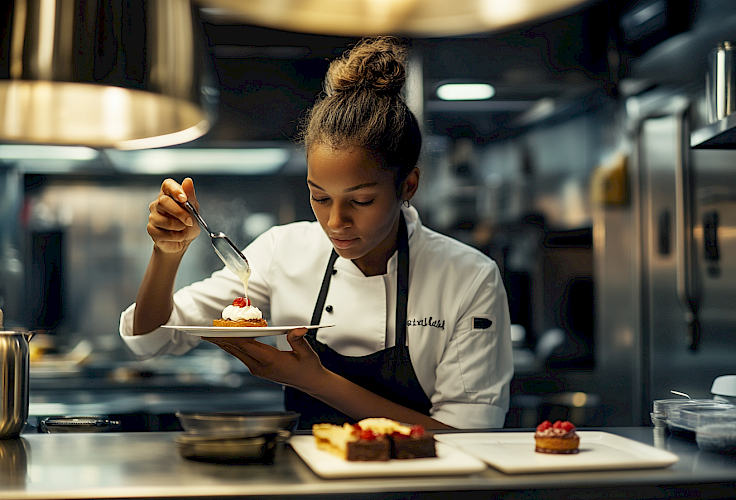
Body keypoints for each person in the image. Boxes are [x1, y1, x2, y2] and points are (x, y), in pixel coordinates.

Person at [119, 36, 513, 430]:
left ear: (408, 185)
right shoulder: (283, 251)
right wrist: (167, 254)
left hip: (422, 487)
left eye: (360, 201)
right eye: (320, 197)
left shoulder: (468, 277)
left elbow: (468, 437)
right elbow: (151, 338)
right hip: (310, 481)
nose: (336, 222)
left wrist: (314, 381)